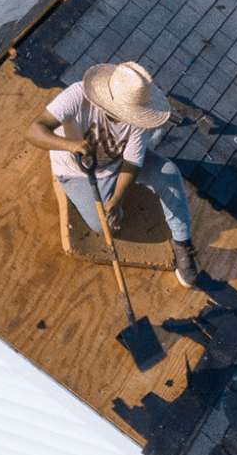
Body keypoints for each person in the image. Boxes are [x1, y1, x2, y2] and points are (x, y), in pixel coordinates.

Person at [26, 61, 199, 288]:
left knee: (168, 173)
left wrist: (117, 200)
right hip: (76, 169)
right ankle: (75, 188)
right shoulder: (78, 94)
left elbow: (132, 161)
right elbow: (33, 130)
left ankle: (182, 243)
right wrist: (70, 145)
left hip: (116, 161)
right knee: (103, 225)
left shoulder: (140, 112)